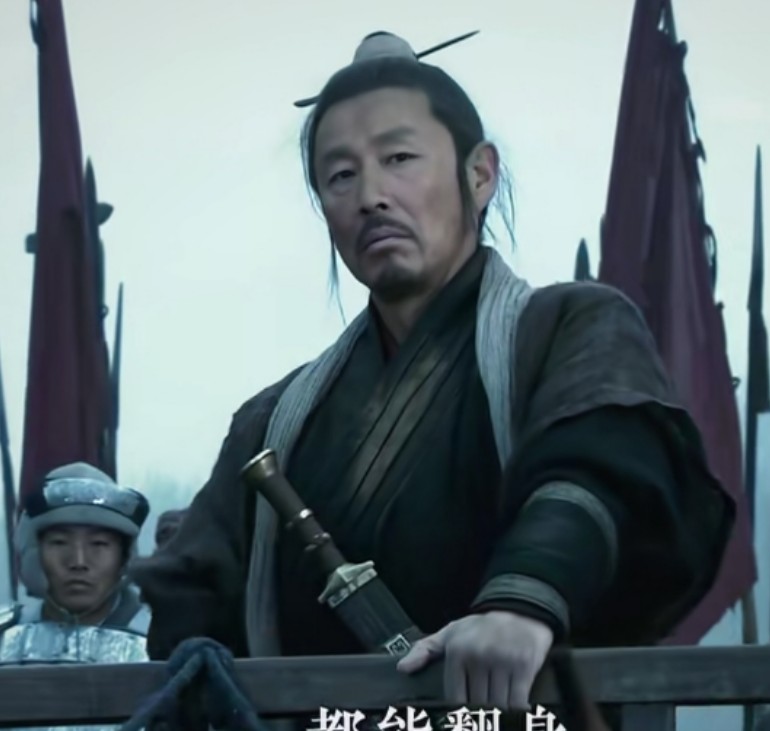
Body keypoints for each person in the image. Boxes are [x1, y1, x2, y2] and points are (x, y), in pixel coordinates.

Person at [131, 31, 734, 719]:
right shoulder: (273, 421)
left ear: (479, 174)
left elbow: (600, 472)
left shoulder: (569, 330)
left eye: (399, 158)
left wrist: (522, 600)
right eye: (340, 175)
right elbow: (192, 597)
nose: (370, 196)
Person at [0, 462, 151, 677]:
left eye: (99, 544)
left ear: (124, 558)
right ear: (35, 553)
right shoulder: (5, 634)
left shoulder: (160, 639)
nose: (78, 562)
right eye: (59, 542)